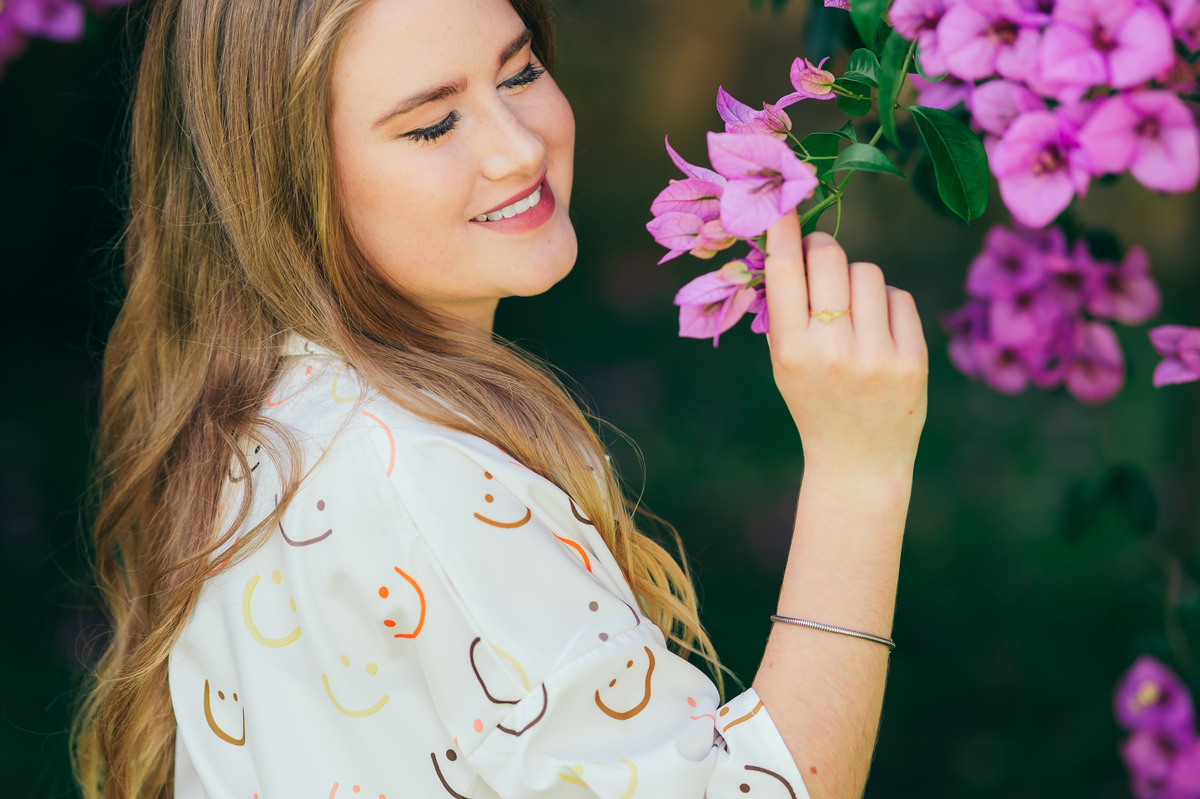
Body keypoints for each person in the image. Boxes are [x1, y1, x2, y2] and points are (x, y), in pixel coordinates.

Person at [71, 0, 928, 796]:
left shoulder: (278, 421)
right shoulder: (413, 475)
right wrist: (862, 471)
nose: (519, 147)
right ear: (287, 182)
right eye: (433, 123)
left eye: (518, 73)